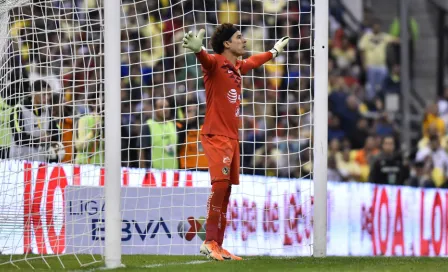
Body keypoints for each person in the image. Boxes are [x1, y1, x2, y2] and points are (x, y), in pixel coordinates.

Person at [182, 23, 289, 261]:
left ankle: (218, 244)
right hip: (216, 134)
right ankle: (209, 241)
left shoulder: (237, 66)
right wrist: (198, 51)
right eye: (240, 37)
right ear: (227, 43)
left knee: (227, 190)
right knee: (219, 186)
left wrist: (274, 52)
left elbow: (254, 62)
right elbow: (206, 61)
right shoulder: (215, 62)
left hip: (232, 137)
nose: (245, 41)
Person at [9, 80, 58, 162]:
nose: (47, 97)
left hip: (40, 160)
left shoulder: (47, 111)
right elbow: (18, 137)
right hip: (20, 160)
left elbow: (55, 132)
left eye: (49, 94)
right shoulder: (19, 109)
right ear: (33, 93)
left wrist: (51, 138)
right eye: (44, 94)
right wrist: (39, 140)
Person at [139, 98, 178, 170]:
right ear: (155, 109)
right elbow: (141, 151)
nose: (165, 110)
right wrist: (143, 170)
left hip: (173, 171)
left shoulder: (172, 125)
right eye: (161, 107)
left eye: (167, 106)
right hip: (155, 172)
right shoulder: (148, 125)